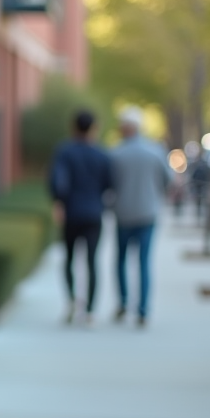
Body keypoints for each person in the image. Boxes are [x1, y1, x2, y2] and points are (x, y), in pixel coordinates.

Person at [110, 106, 174, 327]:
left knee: (121, 261)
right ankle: (143, 310)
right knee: (144, 262)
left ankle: (123, 303)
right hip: (148, 214)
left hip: (123, 214)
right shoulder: (155, 151)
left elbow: (108, 185)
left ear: (124, 128)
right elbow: (168, 181)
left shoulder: (115, 153)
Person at [49, 109, 113, 325]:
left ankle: (70, 302)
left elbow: (58, 180)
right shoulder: (101, 154)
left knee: (68, 258)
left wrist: (58, 202)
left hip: (71, 213)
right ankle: (90, 311)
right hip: (94, 213)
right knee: (92, 261)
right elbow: (109, 183)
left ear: (73, 127)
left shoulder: (65, 152)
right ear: (94, 128)